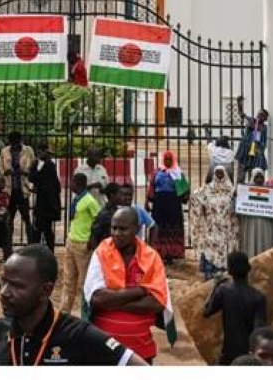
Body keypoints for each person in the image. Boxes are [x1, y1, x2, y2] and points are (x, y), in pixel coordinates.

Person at [0, 244, 146, 366]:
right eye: (4, 282)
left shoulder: (79, 335)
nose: (4, 292)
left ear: (46, 290)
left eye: (17, 286)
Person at [84, 207, 172, 364]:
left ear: (137, 229)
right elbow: (97, 299)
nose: (117, 233)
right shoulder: (101, 252)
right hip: (103, 347)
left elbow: (157, 303)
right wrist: (141, 290)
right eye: (114, 228)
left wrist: (112, 302)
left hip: (141, 350)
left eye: (123, 229)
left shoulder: (151, 257)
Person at [202, 250, 267, 365]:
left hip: (228, 354)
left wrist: (215, 287)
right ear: (249, 268)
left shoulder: (223, 291)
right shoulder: (259, 297)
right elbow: (258, 331)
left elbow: (206, 312)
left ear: (229, 271)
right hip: (248, 355)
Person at [62, 172, 101, 315]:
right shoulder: (77, 199)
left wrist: (92, 238)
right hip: (72, 241)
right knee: (68, 280)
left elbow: (99, 219)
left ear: (78, 184)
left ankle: (86, 313)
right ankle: (64, 312)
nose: (70, 185)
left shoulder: (90, 201)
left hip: (83, 244)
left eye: (72, 182)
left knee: (84, 282)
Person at [191, 165, 238, 279]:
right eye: (217, 173)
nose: (220, 175)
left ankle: (224, 273)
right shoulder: (207, 190)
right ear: (214, 174)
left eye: (222, 173)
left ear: (225, 174)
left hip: (227, 227)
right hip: (211, 227)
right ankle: (210, 273)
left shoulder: (231, 191)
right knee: (211, 249)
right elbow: (196, 196)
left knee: (225, 249)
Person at [147, 150, 187, 263]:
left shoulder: (178, 172)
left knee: (172, 228)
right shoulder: (157, 172)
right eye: (166, 159)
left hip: (173, 204)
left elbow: (184, 189)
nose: (168, 161)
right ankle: (159, 253)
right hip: (159, 204)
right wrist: (148, 200)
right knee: (159, 228)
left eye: (170, 159)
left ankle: (171, 254)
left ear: (173, 160)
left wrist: (183, 195)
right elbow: (151, 186)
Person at [0, 130, 37, 243]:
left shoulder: (28, 150)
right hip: (9, 190)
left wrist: (25, 172)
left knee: (26, 218)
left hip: (22, 190)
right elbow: (0, 169)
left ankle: (30, 244)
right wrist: (6, 172)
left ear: (20, 141)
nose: (15, 146)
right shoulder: (4, 151)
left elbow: (34, 167)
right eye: (13, 144)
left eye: (17, 143)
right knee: (8, 219)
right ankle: (8, 246)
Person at [238, 169, 273, 258]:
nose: (259, 179)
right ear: (253, 178)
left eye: (261, 177)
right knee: (252, 241)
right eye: (257, 177)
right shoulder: (245, 191)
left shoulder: (271, 192)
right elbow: (241, 207)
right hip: (251, 224)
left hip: (266, 224)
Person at [30, 143, 62, 249]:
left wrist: (33, 166)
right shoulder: (47, 165)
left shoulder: (48, 165)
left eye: (40, 152)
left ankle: (39, 251)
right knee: (44, 230)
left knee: (41, 230)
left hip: (46, 205)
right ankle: (46, 250)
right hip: (46, 204)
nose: (38, 154)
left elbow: (33, 178)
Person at [53, 49, 90, 130]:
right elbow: (74, 77)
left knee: (58, 104)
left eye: (69, 60)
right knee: (55, 92)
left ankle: (57, 128)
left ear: (73, 58)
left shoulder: (79, 65)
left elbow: (82, 75)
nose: (69, 62)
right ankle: (71, 110)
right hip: (75, 85)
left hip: (79, 87)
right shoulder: (77, 63)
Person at [234, 95, 269, 174]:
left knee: (255, 171)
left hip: (256, 150)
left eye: (262, 115)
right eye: (259, 113)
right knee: (242, 171)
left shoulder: (264, 127)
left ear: (265, 118)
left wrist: (261, 149)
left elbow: (264, 140)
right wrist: (239, 104)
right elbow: (241, 114)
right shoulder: (251, 120)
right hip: (246, 148)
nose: (259, 115)